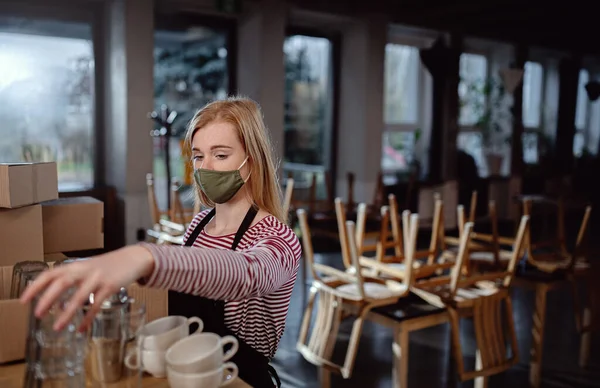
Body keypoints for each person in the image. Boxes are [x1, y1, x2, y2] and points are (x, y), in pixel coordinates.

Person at [21, 96, 302, 387]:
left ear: (251, 162)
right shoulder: (198, 226)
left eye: (220, 155)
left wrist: (146, 257)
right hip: (188, 372)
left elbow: (247, 273)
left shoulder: (277, 238)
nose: (205, 167)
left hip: (240, 380)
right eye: (198, 155)